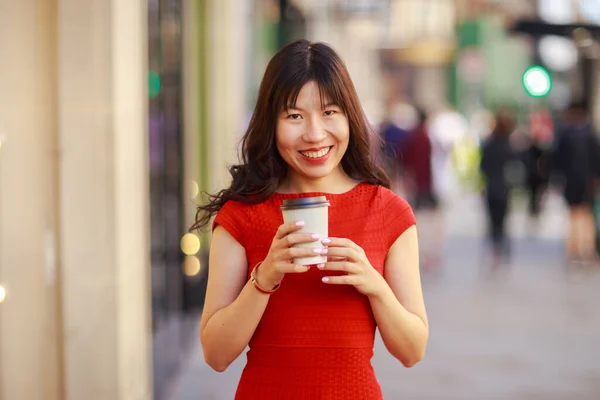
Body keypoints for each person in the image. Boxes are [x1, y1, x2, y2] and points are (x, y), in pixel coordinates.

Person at [191, 40, 428, 399]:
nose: (315, 134)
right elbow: (216, 355)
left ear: (350, 116)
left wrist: (374, 284)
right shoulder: (241, 216)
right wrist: (265, 276)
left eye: (330, 112)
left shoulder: (388, 212)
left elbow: (412, 352)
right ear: (271, 123)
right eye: (294, 116)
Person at [552, 101, 600, 266]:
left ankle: (575, 250)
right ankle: (587, 250)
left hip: (572, 182)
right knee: (586, 216)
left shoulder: (565, 135)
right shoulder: (590, 135)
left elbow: (557, 161)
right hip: (588, 183)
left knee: (575, 216)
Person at [480, 110, 517, 268]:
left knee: (492, 222)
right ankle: (502, 251)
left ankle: (495, 252)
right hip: (504, 188)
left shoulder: (488, 144)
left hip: (491, 188)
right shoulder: (509, 146)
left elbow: (482, 167)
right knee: (503, 222)